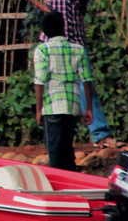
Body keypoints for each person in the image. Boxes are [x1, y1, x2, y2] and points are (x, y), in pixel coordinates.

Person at [14, 0, 110, 146]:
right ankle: (54, 136)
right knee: (52, 86)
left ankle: (100, 134)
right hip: (52, 40)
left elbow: (84, 3)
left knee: (86, 85)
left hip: (76, 39)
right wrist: (44, 9)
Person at [33, 10, 94, 171]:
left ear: (45, 31)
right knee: (67, 149)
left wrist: (38, 110)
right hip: (72, 107)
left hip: (51, 106)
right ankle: (70, 179)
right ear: (63, 28)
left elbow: (39, 82)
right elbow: (86, 81)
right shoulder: (78, 49)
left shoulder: (42, 50)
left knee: (54, 152)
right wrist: (88, 108)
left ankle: (57, 185)